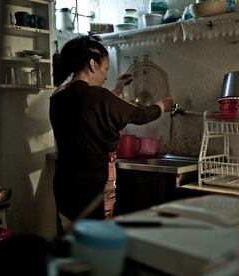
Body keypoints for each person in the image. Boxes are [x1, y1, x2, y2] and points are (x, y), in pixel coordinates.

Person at [49, 35, 173, 229]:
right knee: (96, 238)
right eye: (105, 68)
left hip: (64, 183)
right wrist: (163, 105)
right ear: (92, 64)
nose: (106, 75)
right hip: (92, 186)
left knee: (70, 236)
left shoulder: (58, 97)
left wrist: (118, 88)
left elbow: (92, 108)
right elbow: (141, 115)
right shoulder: (97, 95)